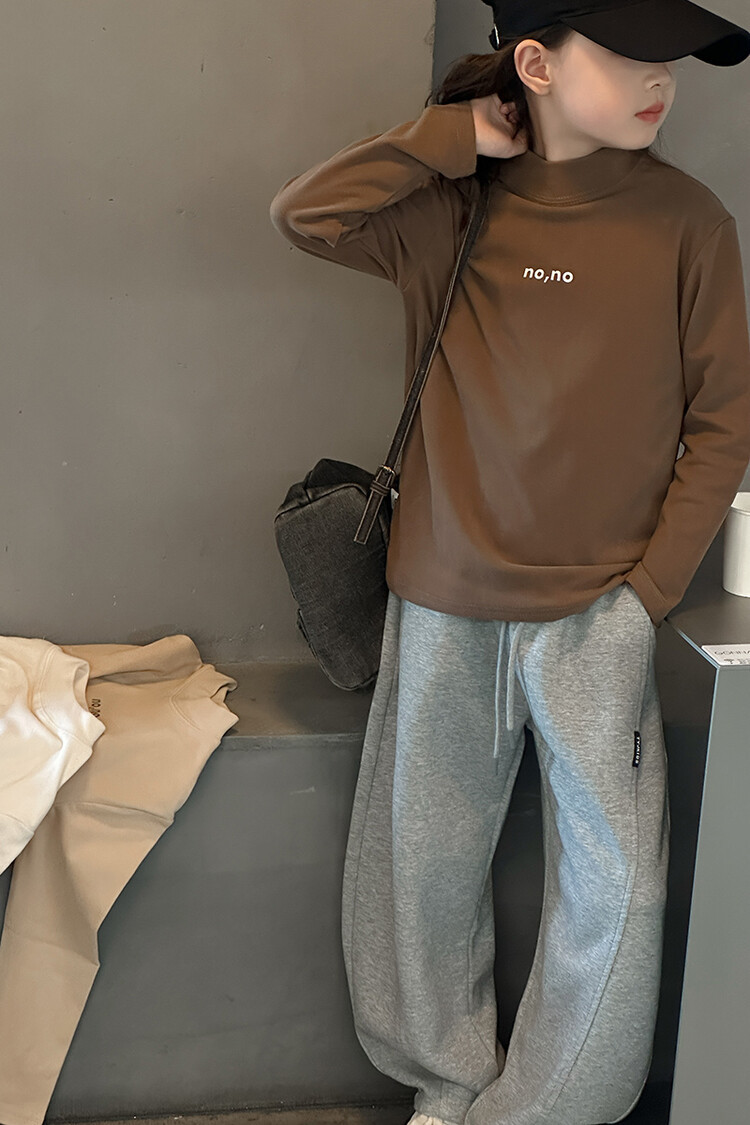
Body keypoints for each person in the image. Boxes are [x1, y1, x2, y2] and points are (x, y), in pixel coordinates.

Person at [269, 2, 750, 1123]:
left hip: (602, 609)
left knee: (615, 889)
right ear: (534, 61)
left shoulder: (690, 223)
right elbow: (305, 214)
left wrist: (645, 597)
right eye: (629, 54)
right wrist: (449, 138)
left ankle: (543, 1111)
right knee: (422, 869)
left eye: (671, 59)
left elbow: (724, 425)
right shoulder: (450, 208)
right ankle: (445, 1085)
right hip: (444, 596)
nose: (662, 79)